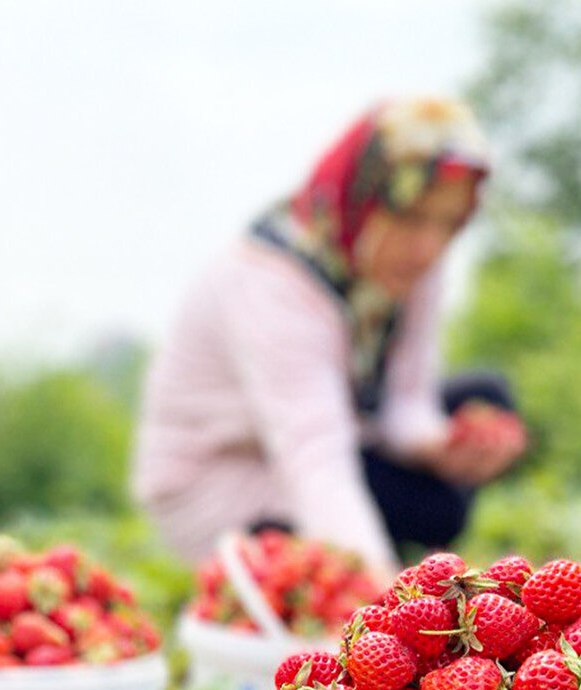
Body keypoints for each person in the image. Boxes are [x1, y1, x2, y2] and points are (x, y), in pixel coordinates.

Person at [133, 97, 526, 575]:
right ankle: (312, 565)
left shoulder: (410, 264)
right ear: (364, 199)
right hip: (229, 478)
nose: (428, 245)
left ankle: (355, 550)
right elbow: (314, 458)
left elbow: (406, 399)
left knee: (485, 400)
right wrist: (383, 602)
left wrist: (441, 449)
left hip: (338, 433)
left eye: (448, 223)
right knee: (368, 528)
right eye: (411, 217)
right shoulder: (273, 280)